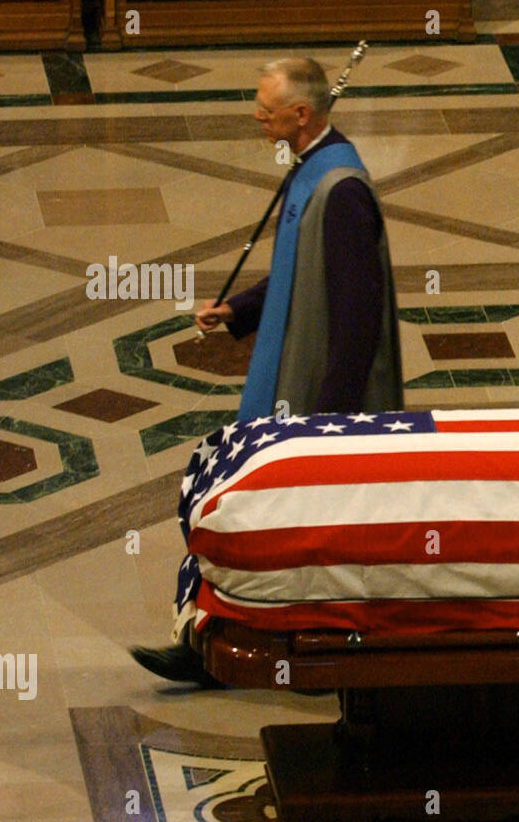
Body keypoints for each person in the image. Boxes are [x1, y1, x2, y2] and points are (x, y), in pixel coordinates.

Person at [132, 57, 403, 686]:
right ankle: (209, 637)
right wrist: (238, 309)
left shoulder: (342, 191)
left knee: (262, 516)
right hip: (289, 383)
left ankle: (230, 643)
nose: (257, 117)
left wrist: (325, 425)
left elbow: (356, 319)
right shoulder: (313, 170)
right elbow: (295, 270)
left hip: (313, 401)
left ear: (300, 114)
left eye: (265, 108)